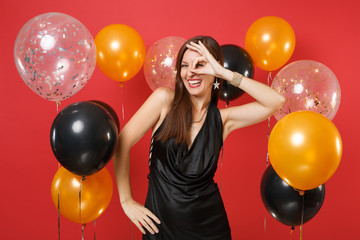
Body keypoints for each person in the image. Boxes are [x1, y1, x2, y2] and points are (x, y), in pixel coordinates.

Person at [113, 36, 285, 239]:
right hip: (160, 228)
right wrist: (126, 201)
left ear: (214, 69)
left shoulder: (222, 119)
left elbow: (276, 102)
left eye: (200, 64)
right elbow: (122, 142)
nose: (191, 72)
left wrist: (225, 73)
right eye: (185, 65)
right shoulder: (164, 100)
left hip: (210, 229)